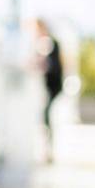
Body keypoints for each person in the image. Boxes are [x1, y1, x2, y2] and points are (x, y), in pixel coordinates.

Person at [34, 19, 63, 162]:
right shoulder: (43, 42)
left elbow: (52, 65)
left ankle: (49, 149)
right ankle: (46, 149)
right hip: (45, 86)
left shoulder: (50, 43)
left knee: (47, 116)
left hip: (52, 85)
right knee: (45, 117)